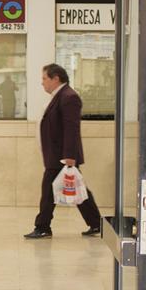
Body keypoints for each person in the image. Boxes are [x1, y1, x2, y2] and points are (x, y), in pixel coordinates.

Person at [25, 63, 102, 239]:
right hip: (57, 155)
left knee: (48, 191)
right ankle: (97, 223)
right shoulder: (59, 96)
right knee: (78, 189)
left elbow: (71, 128)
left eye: (45, 78)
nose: (42, 83)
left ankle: (43, 226)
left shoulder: (69, 97)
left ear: (56, 78)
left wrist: (69, 156)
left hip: (61, 156)